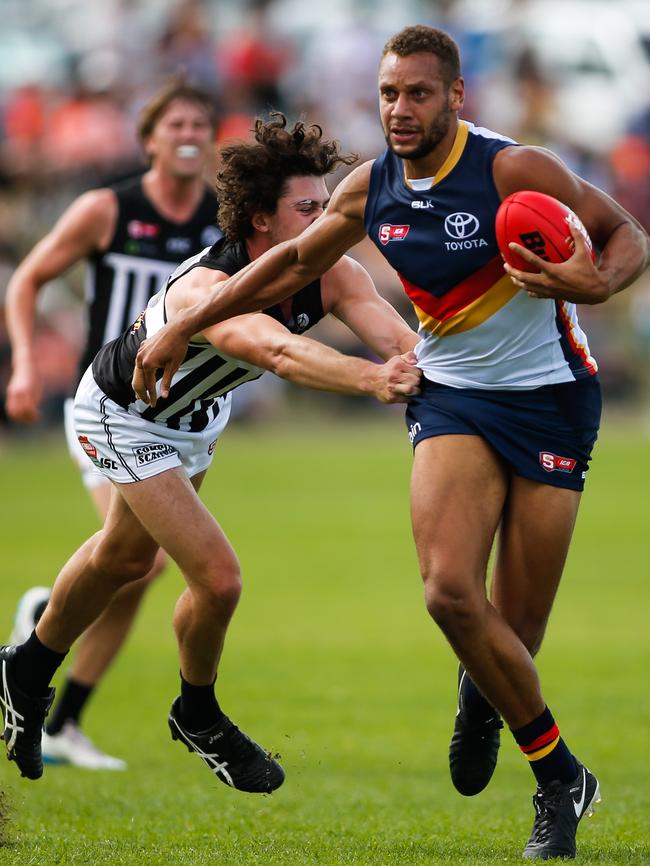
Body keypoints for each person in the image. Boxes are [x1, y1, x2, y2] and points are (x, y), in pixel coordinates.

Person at [128, 26, 649, 861]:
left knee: (513, 632)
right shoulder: (372, 189)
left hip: (554, 404)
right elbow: (291, 263)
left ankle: (484, 694)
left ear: (455, 98)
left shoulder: (515, 170)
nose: (399, 110)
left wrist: (597, 280)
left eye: (417, 93)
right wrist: (184, 324)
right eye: (387, 94)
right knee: (449, 594)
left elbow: (628, 235)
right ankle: (561, 780)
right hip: (453, 400)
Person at [0, 114, 420, 792]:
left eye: (329, 203)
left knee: (124, 558)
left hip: (193, 423)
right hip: (123, 415)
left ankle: (23, 669)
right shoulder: (209, 289)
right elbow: (279, 350)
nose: (327, 218)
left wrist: (448, 374)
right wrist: (372, 380)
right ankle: (198, 712)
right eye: (308, 208)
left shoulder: (333, 272)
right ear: (260, 219)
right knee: (218, 578)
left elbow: (402, 343)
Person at [4, 76, 222, 770]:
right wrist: (23, 365)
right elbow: (28, 277)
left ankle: (60, 711)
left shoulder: (225, 216)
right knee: (145, 558)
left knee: (136, 565)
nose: (189, 135)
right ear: (148, 139)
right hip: (106, 406)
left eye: (199, 125)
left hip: (182, 417)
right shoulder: (108, 209)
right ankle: (40, 649)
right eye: (175, 125)